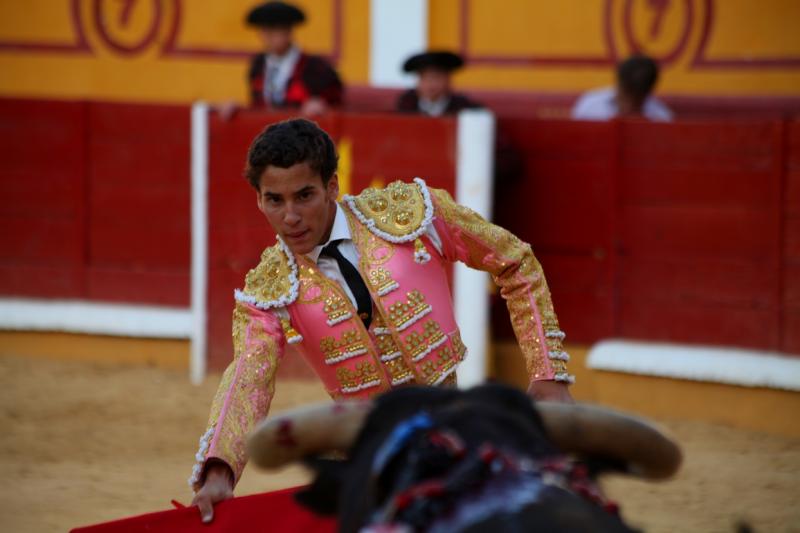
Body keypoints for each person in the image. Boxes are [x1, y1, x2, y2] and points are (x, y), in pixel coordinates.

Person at [189, 118, 574, 522]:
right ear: (258, 200)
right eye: (274, 200)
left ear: (332, 187)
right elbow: (248, 375)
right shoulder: (267, 291)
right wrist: (221, 466)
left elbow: (515, 262)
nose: (290, 217)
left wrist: (547, 369)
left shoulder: (415, 216)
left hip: (451, 433)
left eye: (304, 196)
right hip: (362, 455)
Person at [222, 1, 343, 118]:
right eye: (263, 29)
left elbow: (336, 106)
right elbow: (258, 107)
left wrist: (322, 105)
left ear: (288, 31)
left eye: (274, 28)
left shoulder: (316, 67)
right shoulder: (258, 65)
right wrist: (240, 110)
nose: (267, 35)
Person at [571, 55, 673, 121]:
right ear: (619, 85)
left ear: (647, 94)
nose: (628, 105)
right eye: (626, 96)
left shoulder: (660, 117)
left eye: (636, 100)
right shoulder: (590, 107)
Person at [396, 51, 482, 116]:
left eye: (435, 78)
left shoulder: (462, 106)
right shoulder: (406, 103)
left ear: (448, 80)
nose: (429, 85)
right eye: (424, 78)